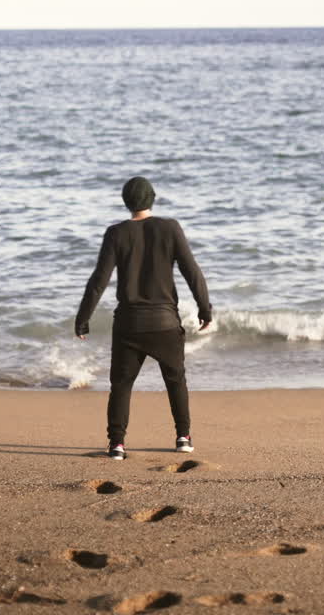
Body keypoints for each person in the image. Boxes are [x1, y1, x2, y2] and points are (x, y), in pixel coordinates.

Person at [75, 176, 212, 461]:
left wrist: (83, 317)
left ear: (126, 202)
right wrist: (205, 308)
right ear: (152, 198)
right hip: (165, 324)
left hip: (129, 325)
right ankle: (183, 437)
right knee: (176, 380)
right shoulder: (170, 228)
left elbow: (99, 280)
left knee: (121, 385)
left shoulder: (116, 233)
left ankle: (117, 444)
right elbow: (192, 271)